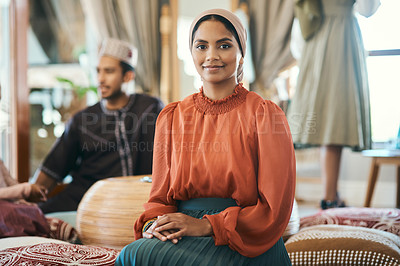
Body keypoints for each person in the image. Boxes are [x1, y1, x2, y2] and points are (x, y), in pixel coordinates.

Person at [116, 9, 296, 265]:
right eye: (201, 46)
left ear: (241, 54)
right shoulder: (172, 116)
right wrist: (156, 224)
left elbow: (274, 209)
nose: (211, 56)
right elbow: (159, 197)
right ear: (191, 53)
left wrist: (207, 225)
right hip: (182, 232)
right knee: (133, 255)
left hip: (245, 237)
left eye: (224, 45)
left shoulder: (265, 115)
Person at [33, 38, 164, 214]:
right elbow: (52, 170)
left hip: (137, 201)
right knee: (34, 216)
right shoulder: (82, 120)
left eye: (109, 71)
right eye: (98, 71)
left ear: (128, 76)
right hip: (86, 200)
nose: (100, 79)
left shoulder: (150, 108)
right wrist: (24, 202)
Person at [287, 0, 380, 209]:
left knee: (327, 120)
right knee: (333, 121)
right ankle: (329, 199)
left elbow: (300, 26)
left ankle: (331, 194)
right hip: (342, 39)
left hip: (315, 39)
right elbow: (368, 9)